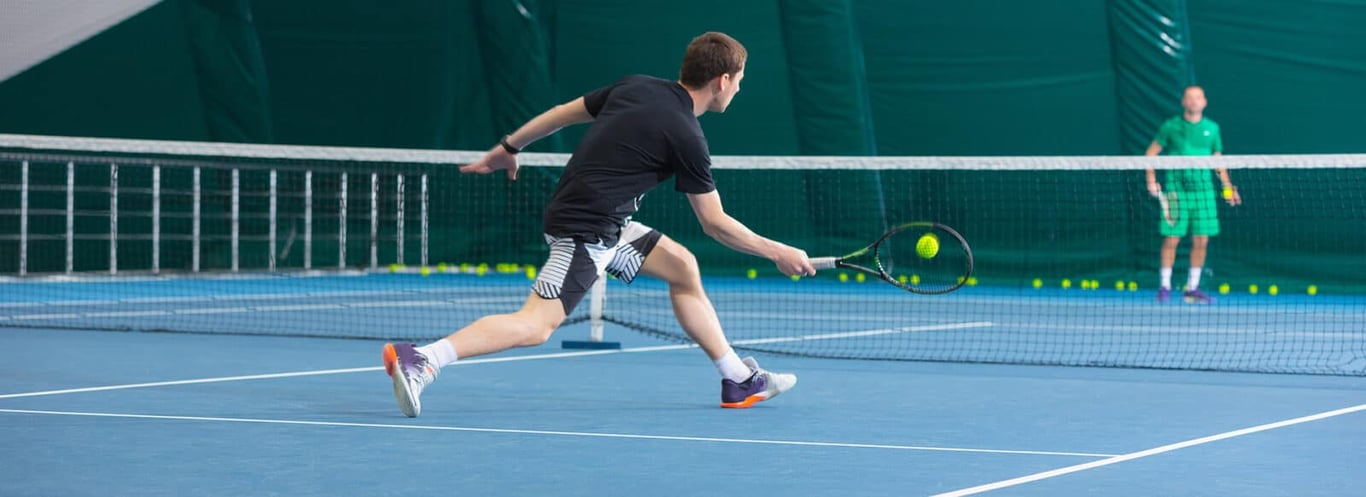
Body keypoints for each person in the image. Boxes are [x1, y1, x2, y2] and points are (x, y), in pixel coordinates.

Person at [381, 32, 814, 417]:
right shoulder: (687, 135)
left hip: (602, 219)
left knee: (681, 267)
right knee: (536, 326)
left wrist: (509, 146)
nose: (739, 87)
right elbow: (715, 223)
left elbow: (561, 113)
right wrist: (779, 251)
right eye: (739, 79)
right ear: (722, 80)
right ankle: (424, 357)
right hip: (585, 230)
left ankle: (738, 378)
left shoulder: (636, 87)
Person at [1144, 85, 1241, 304]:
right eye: (1190, 97)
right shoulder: (1170, 126)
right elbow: (1150, 154)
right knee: (1171, 239)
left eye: (1198, 97)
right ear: (1183, 102)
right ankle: (1165, 286)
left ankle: (1192, 288)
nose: (1194, 101)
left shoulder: (1213, 128)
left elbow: (1218, 161)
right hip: (1176, 193)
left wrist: (1227, 189)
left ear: (1204, 102)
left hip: (1204, 194)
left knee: (1201, 240)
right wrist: (1151, 180)